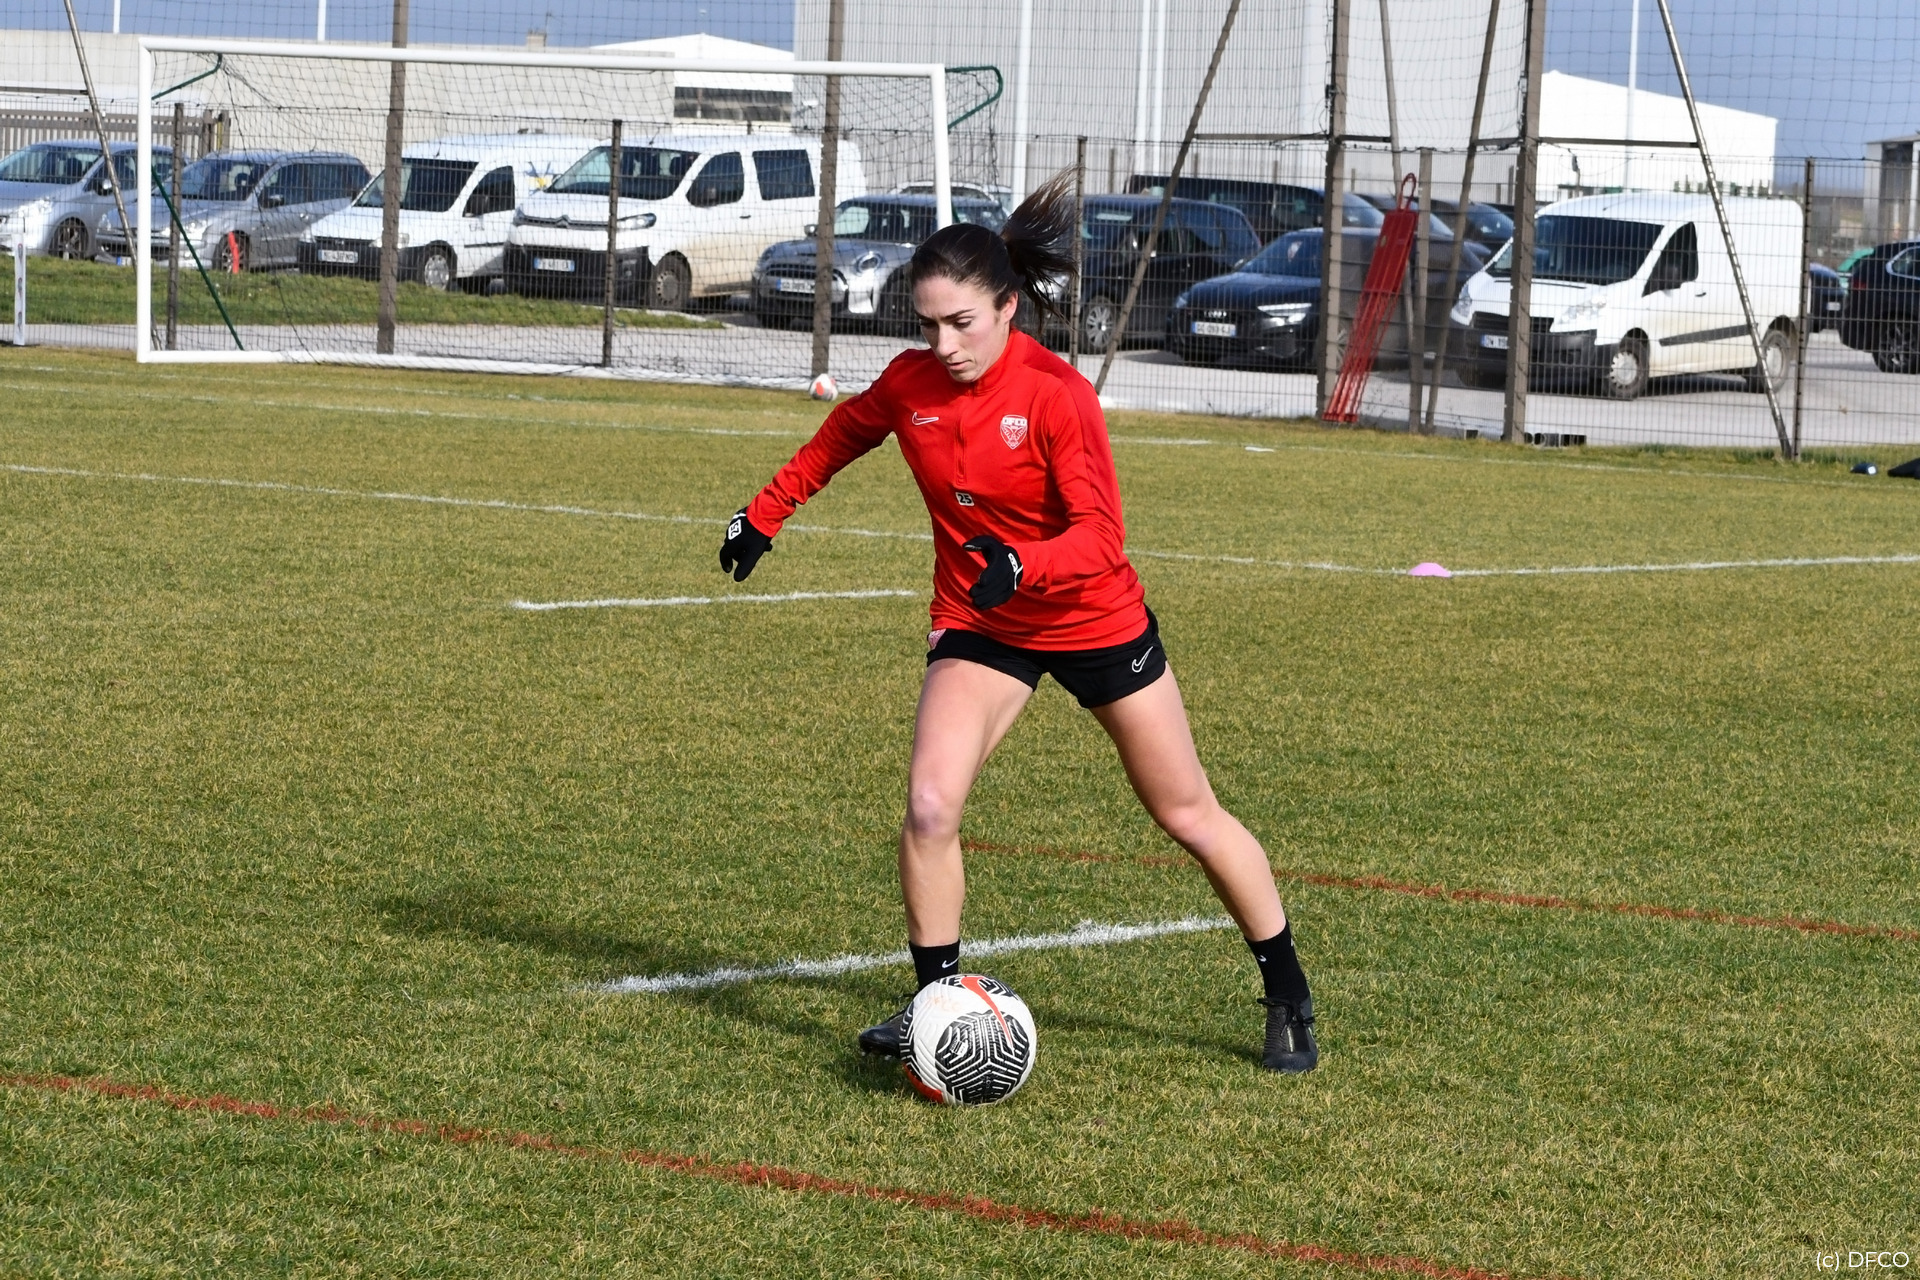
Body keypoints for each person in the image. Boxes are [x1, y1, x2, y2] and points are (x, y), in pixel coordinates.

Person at [718, 172, 1317, 1073]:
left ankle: (1288, 993)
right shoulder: (913, 382)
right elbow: (844, 434)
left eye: (962, 323)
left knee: (1186, 812)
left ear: (1007, 308)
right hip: (982, 619)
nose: (944, 344)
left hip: (1092, 618)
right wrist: (765, 514)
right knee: (930, 806)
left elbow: (1101, 540)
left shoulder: (1055, 394)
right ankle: (937, 1008)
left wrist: (1023, 565)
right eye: (928, 324)